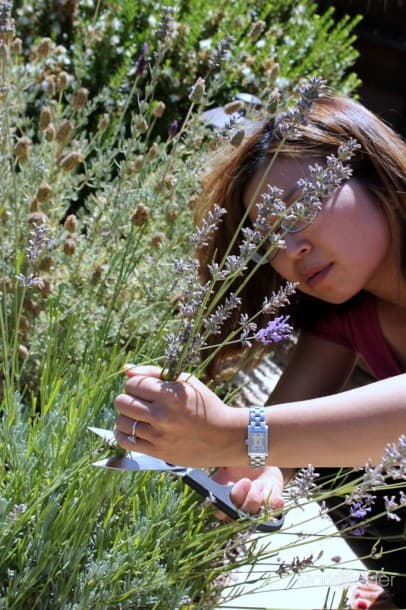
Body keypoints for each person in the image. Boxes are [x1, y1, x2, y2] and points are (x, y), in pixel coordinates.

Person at [114, 94, 406, 609]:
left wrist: (229, 433)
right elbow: (281, 430)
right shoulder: (348, 312)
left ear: (371, 171)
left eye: (300, 208)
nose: (288, 251)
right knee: (334, 454)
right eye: (267, 238)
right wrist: (263, 471)